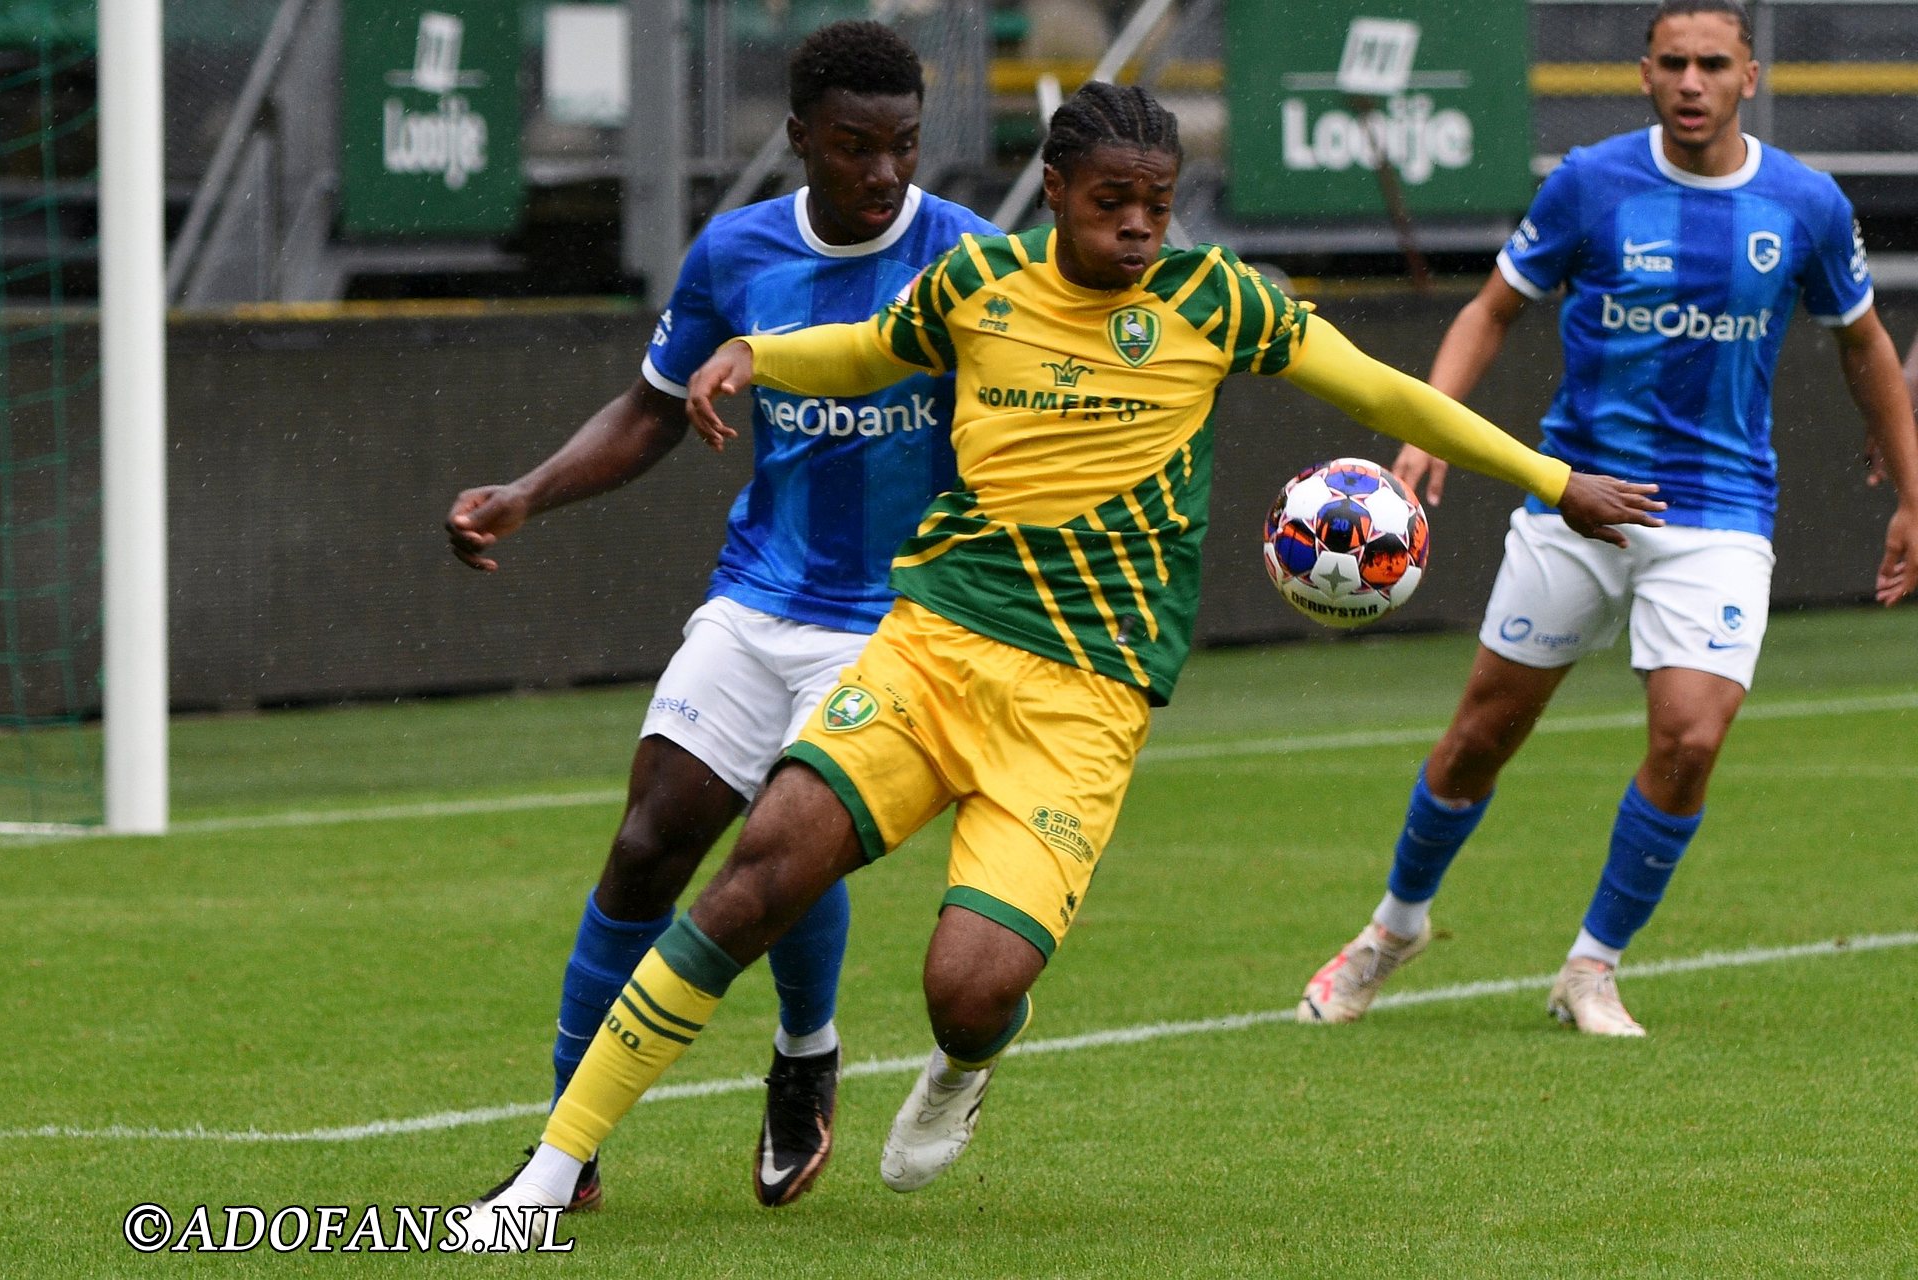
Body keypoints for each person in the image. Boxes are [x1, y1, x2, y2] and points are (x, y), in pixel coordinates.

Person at [462, 81, 1660, 1245]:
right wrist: (757, 356)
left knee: (968, 988)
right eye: (1112, 201)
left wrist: (1560, 481)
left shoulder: (1215, 301)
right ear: (1057, 190)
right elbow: (871, 351)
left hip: (1083, 699)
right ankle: (550, 1174)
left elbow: (1391, 388)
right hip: (932, 647)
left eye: (1156, 201)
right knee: (751, 879)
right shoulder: (975, 281)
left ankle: (962, 1065)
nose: (1138, 225)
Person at [444, 20, 998, 1211]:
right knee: (650, 842)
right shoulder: (737, 251)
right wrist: (527, 494)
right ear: (800, 138)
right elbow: (649, 409)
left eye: (904, 146)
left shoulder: (972, 263)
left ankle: (805, 1052)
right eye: (855, 146)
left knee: (779, 847)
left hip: (897, 617)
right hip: (759, 594)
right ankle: (570, 1145)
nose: (885, 172)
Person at [1297, 0, 1918, 1037]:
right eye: (1671, 62)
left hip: (1719, 512)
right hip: (1573, 502)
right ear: (1642, 73)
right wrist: (1430, 432)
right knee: (1480, 737)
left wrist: (1911, 492)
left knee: (1690, 738)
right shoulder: (1590, 182)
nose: (1690, 82)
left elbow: (1865, 347)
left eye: (1712, 63)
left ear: (1748, 78)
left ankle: (1591, 966)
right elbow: (1490, 309)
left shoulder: (1804, 205)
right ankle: (1392, 929)